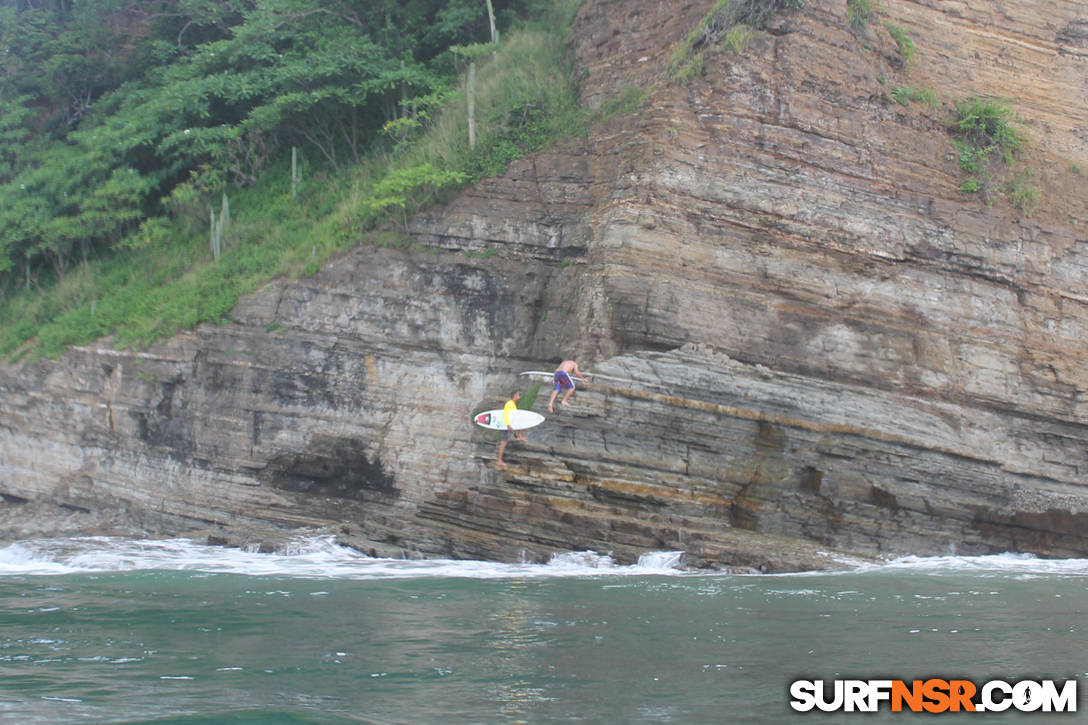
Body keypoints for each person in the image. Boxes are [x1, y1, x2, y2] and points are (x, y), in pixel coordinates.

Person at [496, 391, 527, 466]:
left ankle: (519, 436)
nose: (519, 396)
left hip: (509, 425)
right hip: (506, 425)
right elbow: (505, 414)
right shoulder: (509, 403)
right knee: (504, 443)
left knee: (523, 423)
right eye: (518, 394)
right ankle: (499, 461)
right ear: (515, 396)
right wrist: (508, 424)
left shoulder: (513, 404)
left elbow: (514, 416)